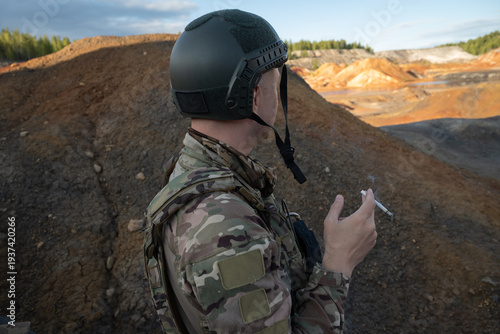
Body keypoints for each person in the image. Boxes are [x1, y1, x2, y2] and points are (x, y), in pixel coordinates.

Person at [143, 9, 377, 334]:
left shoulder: (191, 169)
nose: (277, 94)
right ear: (253, 94)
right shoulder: (226, 233)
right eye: (275, 81)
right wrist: (340, 261)